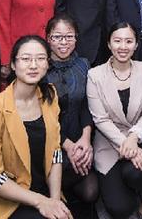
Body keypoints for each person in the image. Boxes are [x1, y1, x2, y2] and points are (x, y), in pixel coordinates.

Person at [0, 35, 72, 219]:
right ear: (13, 64)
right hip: (11, 198)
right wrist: (41, 202)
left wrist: (54, 200)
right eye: (26, 59)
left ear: (47, 63)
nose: (33, 65)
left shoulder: (50, 95)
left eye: (40, 59)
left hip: (45, 189)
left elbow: (55, 152)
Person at [87, 22, 142, 219]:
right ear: (109, 44)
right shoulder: (95, 75)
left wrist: (134, 138)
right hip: (109, 144)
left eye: (129, 41)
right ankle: (128, 187)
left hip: (141, 138)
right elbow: (100, 120)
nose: (123, 46)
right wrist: (126, 144)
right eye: (117, 41)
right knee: (120, 209)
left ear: (136, 45)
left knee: (135, 173)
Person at [44, 14, 98, 205]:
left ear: (76, 38)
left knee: (91, 192)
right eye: (57, 37)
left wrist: (85, 139)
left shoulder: (84, 64)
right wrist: (68, 146)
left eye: (69, 36)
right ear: (48, 38)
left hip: (79, 136)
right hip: (50, 141)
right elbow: (43, 119)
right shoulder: (40, 70)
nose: (63, 42)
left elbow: (87, 105)